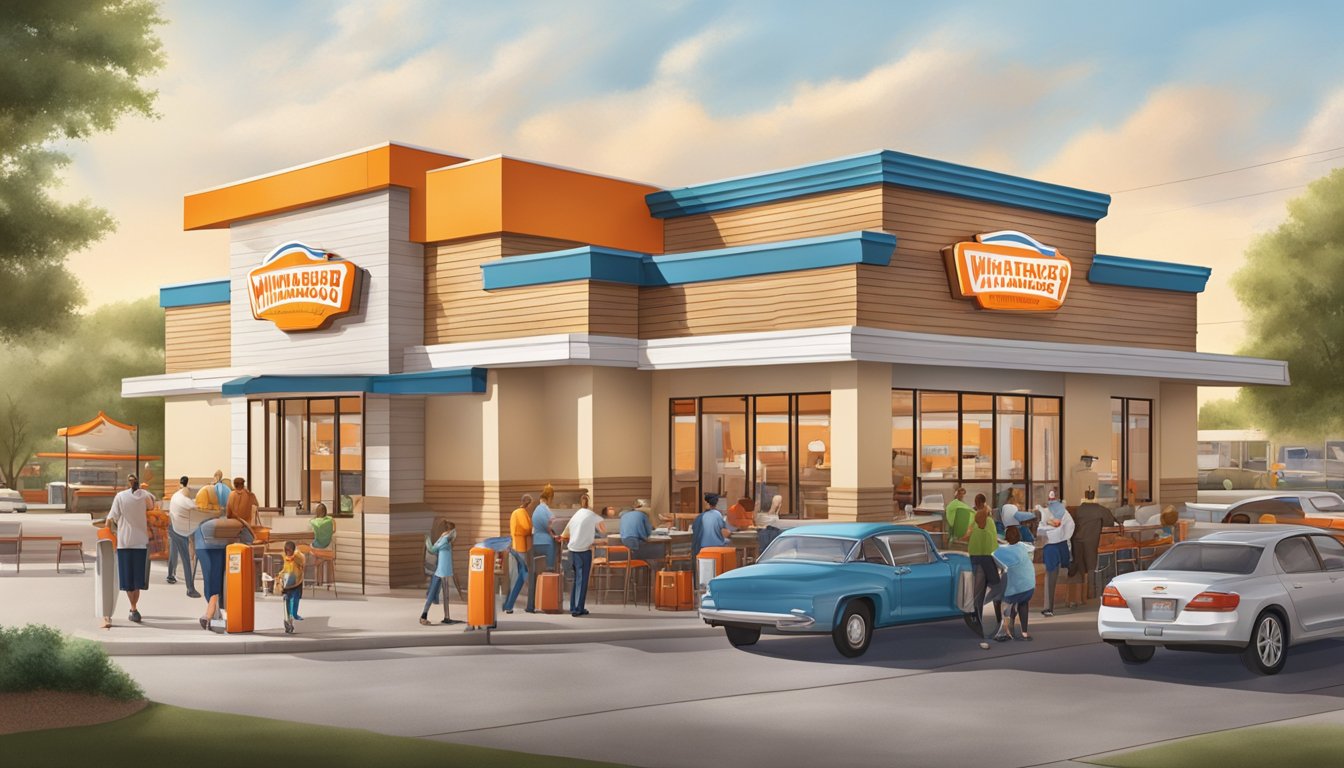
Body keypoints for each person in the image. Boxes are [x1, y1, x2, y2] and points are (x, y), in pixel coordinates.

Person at [99, 474, 156, 629]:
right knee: (137, 581)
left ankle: (133, 608)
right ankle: (134, 608)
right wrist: (146, 490)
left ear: (127, 483)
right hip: (140, 542)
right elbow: (152, 506)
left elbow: (110, 518)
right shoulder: (145, 495)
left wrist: (107, 536)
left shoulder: (120, 496)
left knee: (127, 580)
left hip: (124, 543)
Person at [195, 514, 254, 630]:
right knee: (218, 583)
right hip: (218, 547)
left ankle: (211, 616)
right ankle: (212, 616)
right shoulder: (236, 524)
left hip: (206, 546)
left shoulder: (209, 522)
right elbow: (249, 540)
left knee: (213, 583)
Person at [1068, 490, 1118, 608]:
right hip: (1091, 539)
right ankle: (1090, 592)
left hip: (1076, 539)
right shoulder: (1100, 509)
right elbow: (1109, 522)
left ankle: (1077, 596)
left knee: (1078, 565)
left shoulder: (1078, 509)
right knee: (1091, 565)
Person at [561, 493, 605, 617]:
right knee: (583, 580)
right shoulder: (592, 515)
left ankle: (573, 607)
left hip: (572, 551)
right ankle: (578, 609)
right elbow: (603, 529)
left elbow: (565, 534)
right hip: (584, 552)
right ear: (589, 504)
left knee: (577, 580)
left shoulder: (575, 515)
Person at [964, 496, 1002, 635]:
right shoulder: (990, 522)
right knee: (996, 588)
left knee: (978, 593)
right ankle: (997, 617)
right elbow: (994, 543)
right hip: (988, 559)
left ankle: (977, 618)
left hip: (976, 560)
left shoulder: (974, 524)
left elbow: (968, 538)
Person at [992, 526, 1035, 641]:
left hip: (1015, 589)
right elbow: (1032, 547)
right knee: (1023, 603)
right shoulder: (1022, 546)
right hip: (1029, 586)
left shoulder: (1001, 551)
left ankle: (1004, 631)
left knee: (1001, 601)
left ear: (1006, 537)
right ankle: (1024, 633)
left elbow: (993, 555)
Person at [166, 475, 204, 598]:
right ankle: (190, 588)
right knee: (186, 559)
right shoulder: (186, 499)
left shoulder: (176, 495)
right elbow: (197, 509)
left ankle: (170, 575)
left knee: (173, 552)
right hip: (180, 530)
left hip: (172, 527)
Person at [1039, 495, 1075, 617]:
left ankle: (1049, 607)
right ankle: (1071, 600)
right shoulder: (1064, 513)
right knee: (1061, 572)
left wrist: (1049, 530)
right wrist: (1064, 535)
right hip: (1061, 545)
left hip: (1050, 546)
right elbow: (1071, 526)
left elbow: (1040, 530)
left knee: (1050, 576)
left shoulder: (1044, 512)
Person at [420, 518, 459, 625]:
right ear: (450, 530)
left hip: (442, 570)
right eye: (453, 530)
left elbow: (434, 548)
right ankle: (430, 616)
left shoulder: (443, 538)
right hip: (443, 571)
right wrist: (427, 539)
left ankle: (428, 615)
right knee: (442, 595)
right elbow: (432, 549)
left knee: (435, 593)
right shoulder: (446, 539)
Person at [504, 494, 534, 614]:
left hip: (516, 547)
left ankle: (510, 606)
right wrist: (532, 527)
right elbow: (527, 527)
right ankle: (510, 605)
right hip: (519, 547)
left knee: (516, 577)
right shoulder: (521, 512)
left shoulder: (516, 512)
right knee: (520, 578)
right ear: (529, 503)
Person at [278, 540, 305, 634]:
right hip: (287, 585)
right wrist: (280, 575)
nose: (288, 552)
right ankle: (288, 622)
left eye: (290, 550)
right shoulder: (286, 558)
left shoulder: (297, 557)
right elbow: (285, 569)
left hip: (296, 583)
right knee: (287, 603)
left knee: (294, 601)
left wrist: (295, 554)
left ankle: (293, 616)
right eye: (286, 550)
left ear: (293, 550)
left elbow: (301, 560)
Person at [532, 484, 558, 574]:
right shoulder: (545, 510)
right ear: (550, 497)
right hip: (546, 543)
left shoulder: (537, 509)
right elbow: (551, 525)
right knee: (550, 569)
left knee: (537, 570)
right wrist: (556, 535)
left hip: (535, 542)